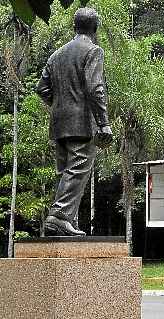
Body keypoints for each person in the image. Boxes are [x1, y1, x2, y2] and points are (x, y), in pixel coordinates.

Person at [36, 7, 113, 236]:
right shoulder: (93, 51)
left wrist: (61, 105)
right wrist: (104, 123)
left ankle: (65, 221)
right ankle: (58, 216)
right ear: (95, 29)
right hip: (81, 124)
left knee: (65, 173)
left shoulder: (56, 55)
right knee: (78, 170)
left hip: (59, 124)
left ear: (75, 27)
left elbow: (41, 89)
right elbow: (95, 88)